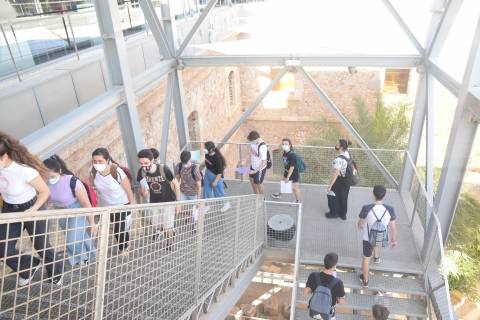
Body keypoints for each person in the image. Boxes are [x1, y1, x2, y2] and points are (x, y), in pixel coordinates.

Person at [0, 132, 63, 286]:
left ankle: (55, 274)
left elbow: (45, 192)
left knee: (41, 245)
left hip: (32, 207)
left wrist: (33, 210)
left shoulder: (24, 170)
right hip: (10, 209)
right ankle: (28, 266)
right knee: (2, 248)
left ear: (4, 157)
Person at [43, 155, 97, 267]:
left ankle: (82, 259)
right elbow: (47, 198)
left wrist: (92, 223)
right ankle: (93, 255)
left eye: (52, 176)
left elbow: (86, 204)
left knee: (72, 241)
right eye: (47, 176)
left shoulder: (72, 182)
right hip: (60, 212)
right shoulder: (46, 183)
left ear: (60, 171)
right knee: (79, 236)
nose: (50, 179)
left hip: (76, 210)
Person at [90, 147, 134, 256]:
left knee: (118, 228)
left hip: (122, 204)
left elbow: (128, 190)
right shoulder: (93, 171)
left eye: (100, 161)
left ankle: (124, 248)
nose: (97, 163)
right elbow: (91, 186)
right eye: (95, 161)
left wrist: (132, 207)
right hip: (107, 206)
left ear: (107, 159)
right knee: (118, 227)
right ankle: (126, 243)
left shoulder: (116, 171)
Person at [137, 149, 180, 248]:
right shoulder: (142, 172)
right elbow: (144, 191)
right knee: (157, 225)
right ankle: (171, 231)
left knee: (166, 226)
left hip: (168, 201)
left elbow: (176, 184)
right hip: (154, 202)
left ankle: (169, 243)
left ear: (152, 161)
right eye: (141, 163)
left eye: (146, 163)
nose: (144, 165)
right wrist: (143, 193)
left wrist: (178, 203)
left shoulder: (163, 169)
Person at [357, 185, 397, 288]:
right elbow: (393, 227)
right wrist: (393, 240)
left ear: (373, 194)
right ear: (384, 195)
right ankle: (377, 257)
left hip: (367, 238)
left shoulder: (366, 208)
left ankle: (365, 280)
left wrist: (360, 225)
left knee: (366, 259)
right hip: (381, 235)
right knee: (377, 238)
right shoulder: (390, 209)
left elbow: (360, 223)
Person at [304, 252, 346, 319]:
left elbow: (305, 292)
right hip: (327, 314)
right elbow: (342, 302)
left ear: (324, 262)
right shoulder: (338, 283)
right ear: (334, 265)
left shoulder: (313, 276)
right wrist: (338, 298)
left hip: (314, 311)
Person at [325, 139, 352, 220]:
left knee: (331, 195)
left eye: (337, 145)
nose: (335, 146)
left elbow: (336, 174)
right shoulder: (347, 153)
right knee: (343, 197)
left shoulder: (339, 160)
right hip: (347, 180)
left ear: (341, 147)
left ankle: (334, 213)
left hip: (339, 180)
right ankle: (343, 214)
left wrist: (330, 186)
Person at [203, 141, 230, 212]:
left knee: (219, 192)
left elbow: (220, 172)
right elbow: (206, 163)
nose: (205, 149)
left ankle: (226, 204)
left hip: (216, 176)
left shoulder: (217, 158)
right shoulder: (206, 154)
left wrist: (215, 181)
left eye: (206, 148)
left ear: (211, 149)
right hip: (208, 174)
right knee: (206, 190)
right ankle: (207, 205)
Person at [247, 131, 268, 195]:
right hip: (253, 166)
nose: (251, 143)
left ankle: (262, 199)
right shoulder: (253, 142)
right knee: (251, 180)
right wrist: (245, 159)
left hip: (260, 168)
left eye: (252, 141)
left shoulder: (262, 147)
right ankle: (256, 195)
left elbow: (264, 162)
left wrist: (255, 171)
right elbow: (251, 150)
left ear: (257, 139)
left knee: (259, 183)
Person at [281, 138, 301, 203]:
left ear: (290, 145)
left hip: (294, 174)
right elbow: (286, 163)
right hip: (287, 171)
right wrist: (285, 175)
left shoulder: (292, 155)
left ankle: (298, 201)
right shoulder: (284, 153)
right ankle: (280, 193)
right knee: (284, 183)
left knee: (295, 188)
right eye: (283, 144)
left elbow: (292, 167)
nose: (284, 145)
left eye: (286, 144)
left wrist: (288, 177)